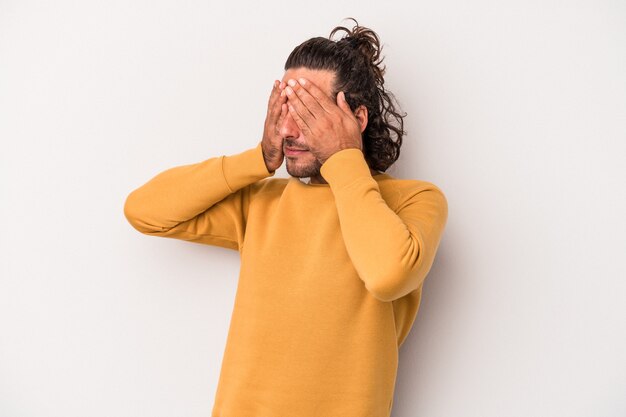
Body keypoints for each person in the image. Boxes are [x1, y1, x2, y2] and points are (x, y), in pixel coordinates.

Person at [124, 18, 448, 417]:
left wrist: (344, 157)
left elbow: (386, 275)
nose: (289, 129)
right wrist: (258, 159)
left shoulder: (414, 200)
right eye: (285, 109)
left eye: (310, 113)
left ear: (357, 119)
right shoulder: (262, 202)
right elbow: (144, 211)